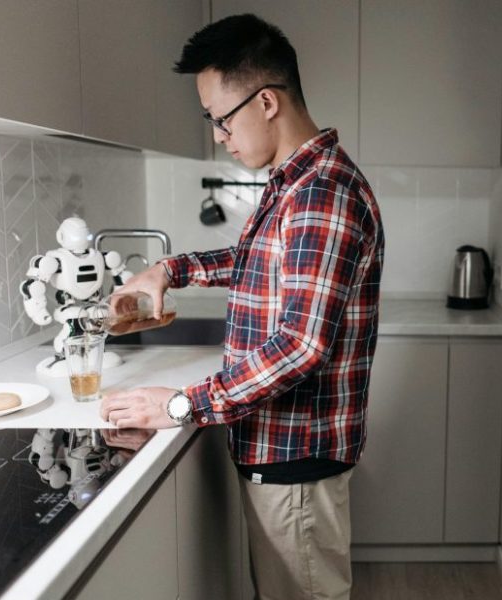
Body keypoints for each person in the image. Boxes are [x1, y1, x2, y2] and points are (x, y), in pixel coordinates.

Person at [99, 13, 384, 600]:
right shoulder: (294, 184)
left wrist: (181, 404)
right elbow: (260, 259)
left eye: (221, 118)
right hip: (282, 453)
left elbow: (300, 346)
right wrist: (170, 270)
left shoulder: (320, 193)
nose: (218, 136)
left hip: (295, 459)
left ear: (267, 102)